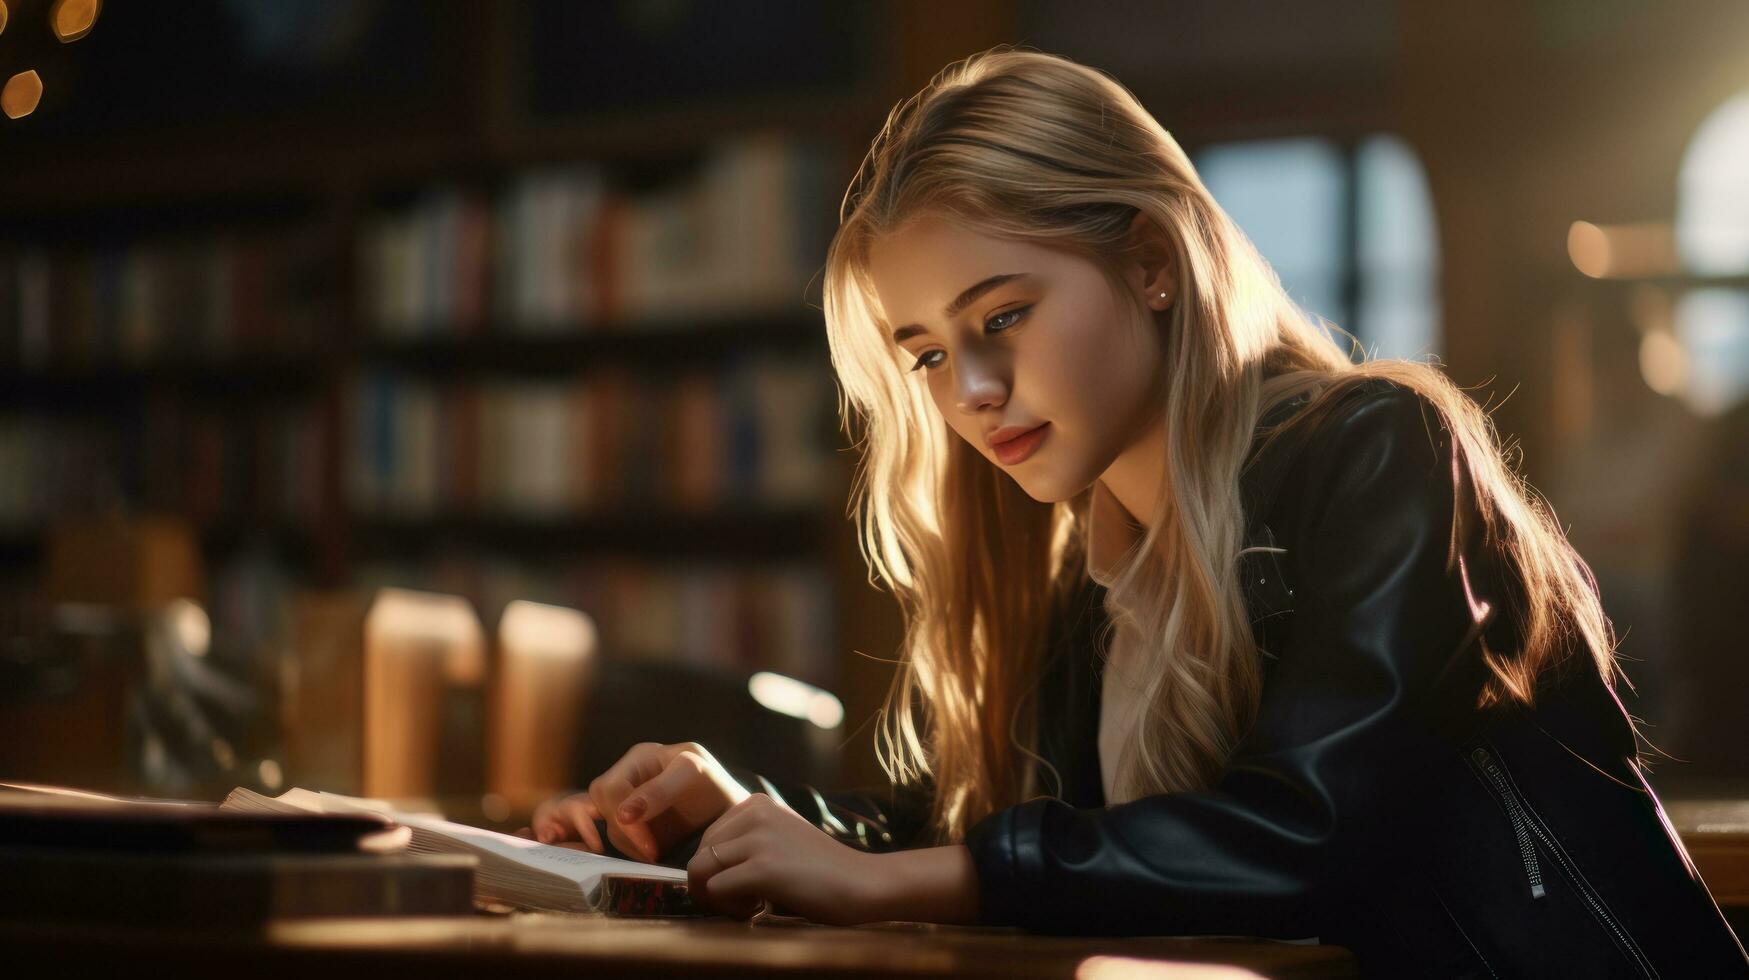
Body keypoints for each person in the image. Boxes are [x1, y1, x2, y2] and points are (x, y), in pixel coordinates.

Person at [522, 46, 1748, 976]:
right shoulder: (1085, 567)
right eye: (927, 354)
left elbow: (1306, 829)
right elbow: (1001, 830)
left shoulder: (1377, 449)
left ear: (1152, 262)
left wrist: (872, 877)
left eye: (1001, 316)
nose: (973, 390)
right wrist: (751, 818)